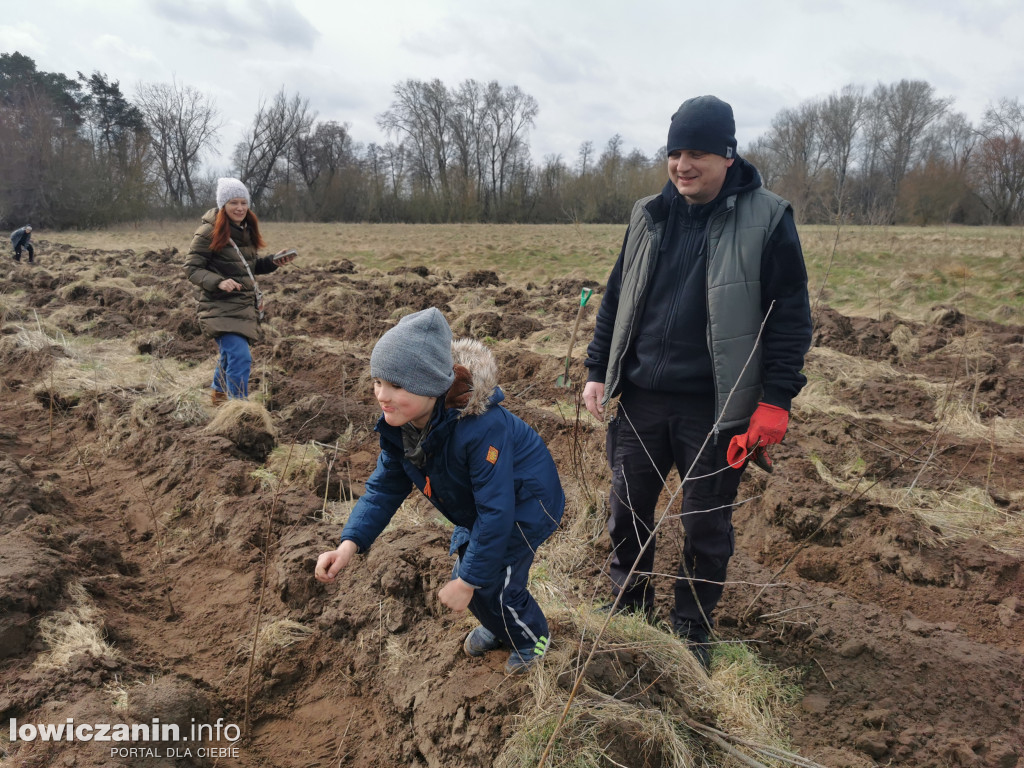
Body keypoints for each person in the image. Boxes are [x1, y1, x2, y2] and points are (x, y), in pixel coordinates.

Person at [581, 95, 812, 668]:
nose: (683, 165)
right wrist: (595, 371)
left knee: (705, 525)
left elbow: (790, 316)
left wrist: (775, 401)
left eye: (698, 154)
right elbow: (617, 298)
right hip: (639, 399)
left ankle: (691, 631)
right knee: (628, 512)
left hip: (718, 409)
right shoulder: (647, 214)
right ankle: (630, 611)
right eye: (675, 153)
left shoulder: (768, 218)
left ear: (728, 156)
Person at [315, 308, 565, 674]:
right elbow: (384, 489)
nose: (382, 396)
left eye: (397, 386)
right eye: (378, 382)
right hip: (482, 507)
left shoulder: (480, 428)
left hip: (526, 506)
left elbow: (498, 512)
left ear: (432, 385)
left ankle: (533, 639)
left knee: (495, 580)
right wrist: (348, 544)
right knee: (474, 571)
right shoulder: (402, 429)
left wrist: (467, 583)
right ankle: (501, 626)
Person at [184, 178, 296, 404]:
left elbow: (249, 268)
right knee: (240, 356)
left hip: (243, 305)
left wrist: (273, 262)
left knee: (230, 355)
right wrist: (218, 282)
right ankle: (238, 407)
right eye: (233, 202)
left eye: (243, 202)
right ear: (223, 205)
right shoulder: (208, 231)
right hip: (218, 305)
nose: (240, 208)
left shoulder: (245, 230)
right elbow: (192, 268)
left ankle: (219, 396)